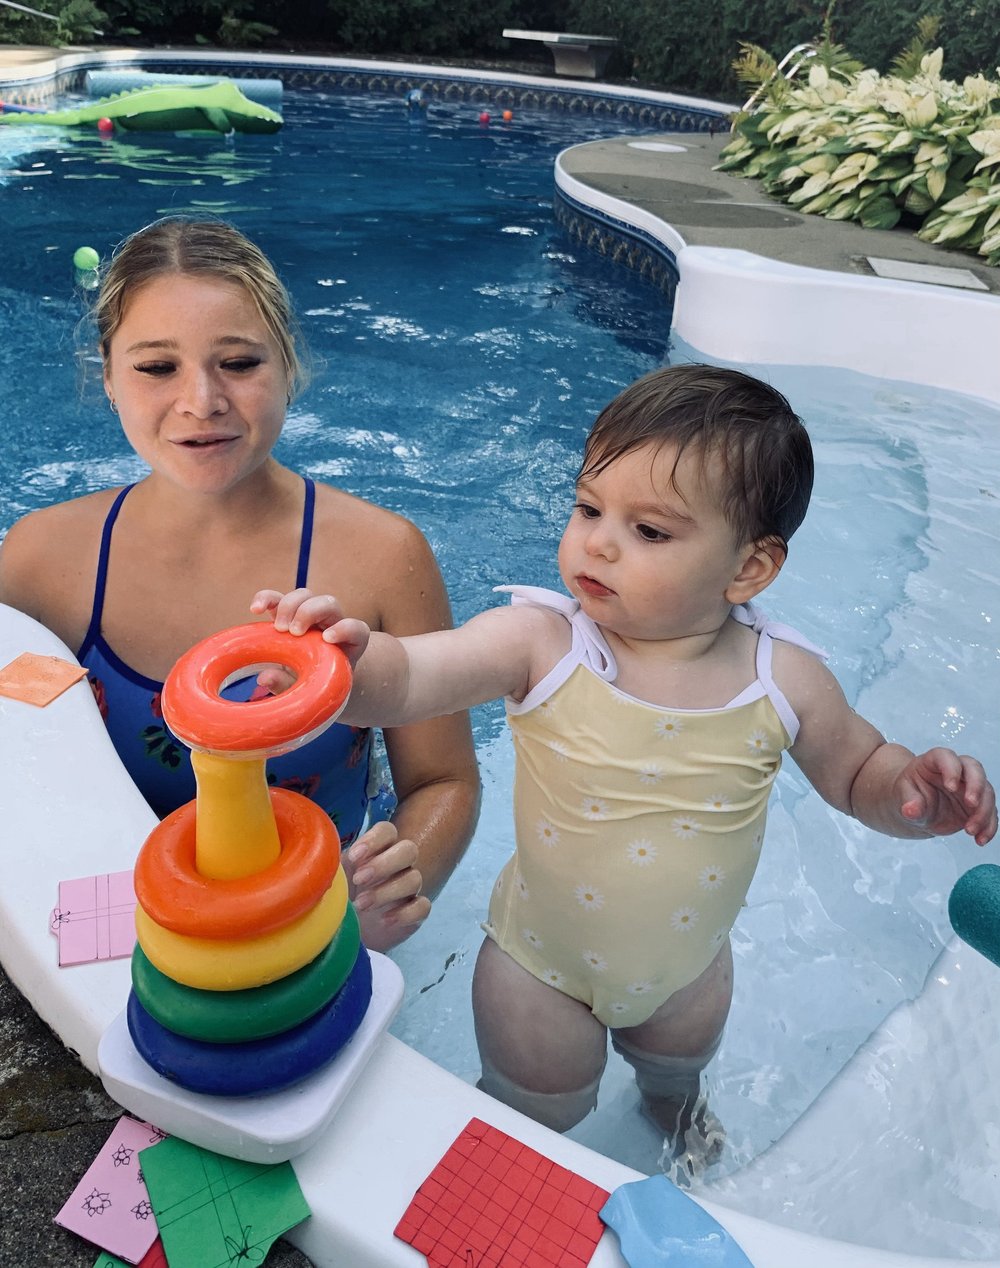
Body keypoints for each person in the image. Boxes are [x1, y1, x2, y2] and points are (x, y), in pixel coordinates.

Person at [250, 363, 997, 1158]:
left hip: (689, 976)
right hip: (539, 970)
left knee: (676, 1080)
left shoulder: (786, 680)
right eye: (588, 507)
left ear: (748, 568)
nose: (598, 542)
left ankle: (675, 1115)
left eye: (649, 531)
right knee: (534, 1115)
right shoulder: (543, 644)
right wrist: (344, 667)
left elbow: (858, 774)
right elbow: (411, 679)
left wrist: (913, 794)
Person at [0, 216, 480, 953]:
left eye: (239, 362)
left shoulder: (384, 557)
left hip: (314, 925)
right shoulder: (42, 560)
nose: (201, 400)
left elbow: (444, 779)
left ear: (288, 367)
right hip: (126, 923)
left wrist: (396, 878)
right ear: (107, 376)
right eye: (157, 367)